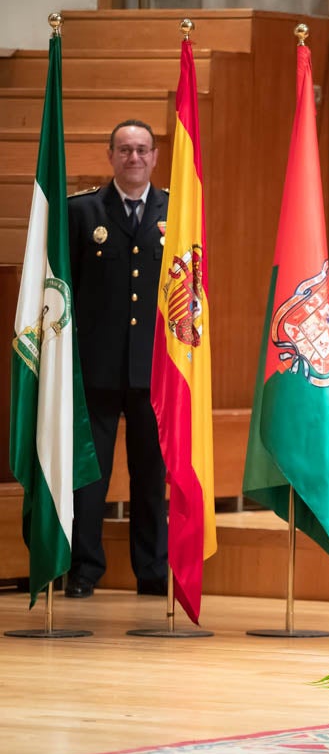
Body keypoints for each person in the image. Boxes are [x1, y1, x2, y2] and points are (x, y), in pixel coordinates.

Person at [65, 119, 169, 598]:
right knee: (90, 476)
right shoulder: (83, 212)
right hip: (98, 367)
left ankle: (152, 572)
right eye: (124, 150)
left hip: (155, 370)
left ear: (154, 156)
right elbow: (65, 290)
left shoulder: (177, 210)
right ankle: (84, 570)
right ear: (110, 156)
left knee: (151, 476)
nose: (133, 158)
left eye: (141, 150)